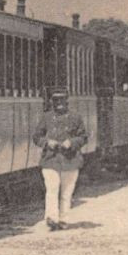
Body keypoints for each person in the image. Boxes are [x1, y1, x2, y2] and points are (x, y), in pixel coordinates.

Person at [33, 88, 89, 231]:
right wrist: (47, 142)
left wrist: (71, 143)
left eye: (62, 100)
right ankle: (51, 217)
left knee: (66, 193)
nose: (59, 104)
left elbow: (83, 137)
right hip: (51, 159)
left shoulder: (75, 118)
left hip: (70, 160)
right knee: (52, 189)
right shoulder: (46, 118)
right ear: (52, 102)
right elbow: (37, 137)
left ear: (67, 101)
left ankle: (64, 219)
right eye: (56, 100)